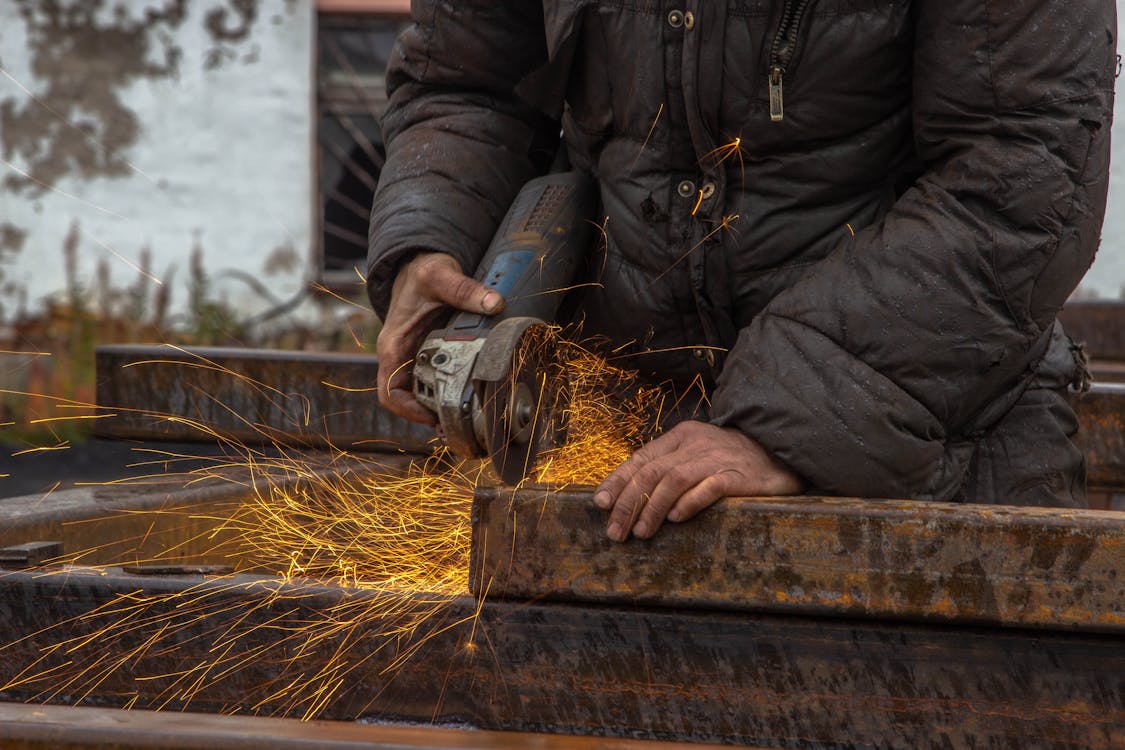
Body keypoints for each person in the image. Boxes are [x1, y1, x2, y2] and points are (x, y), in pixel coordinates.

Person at [366, 2, 1117, 542]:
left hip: (934, 454)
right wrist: (432, 240)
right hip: (615, 453)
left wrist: (784, 423)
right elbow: (466, 86)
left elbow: (1022, 180)